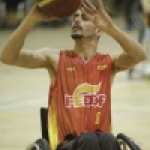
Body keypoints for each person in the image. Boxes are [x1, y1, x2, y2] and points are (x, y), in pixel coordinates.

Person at [0, 0, 146, 150]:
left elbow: (140, 55)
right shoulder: (56, 59)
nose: (77, 20)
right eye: (75, 17)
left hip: (101, 142)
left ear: (98, 30)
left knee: (108, 138)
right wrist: (31, 18)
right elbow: (8, 57)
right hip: (66, 144)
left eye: (84, 18)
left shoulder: (109, 63)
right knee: (89, 139)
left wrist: (111, 28)